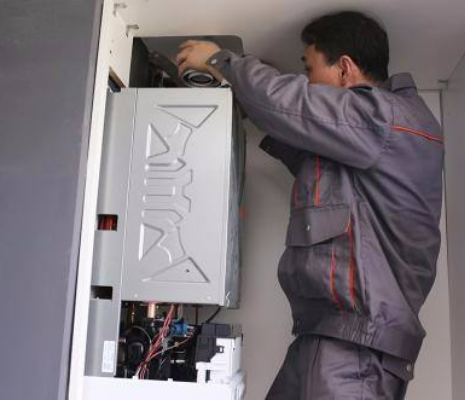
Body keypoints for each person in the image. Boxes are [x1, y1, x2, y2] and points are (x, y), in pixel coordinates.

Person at [176, 11, 443, 400]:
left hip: (355, 350)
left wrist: (222, 62)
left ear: (344, 69)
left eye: (309, 69)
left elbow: (295, 105)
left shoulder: (384, 117)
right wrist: (253, 104)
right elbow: (311, 154)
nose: (307, 80)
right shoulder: (373, 134)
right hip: (334, 338)